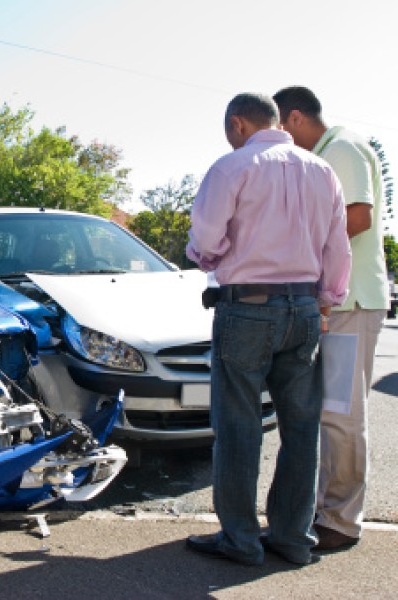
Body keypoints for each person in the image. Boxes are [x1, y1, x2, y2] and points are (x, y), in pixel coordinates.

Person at [185, 93, 351, 566]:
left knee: (239, 427)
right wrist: (325, 301)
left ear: (238, 124)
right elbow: (338, 248)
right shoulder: (321, 170)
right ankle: (293, 538)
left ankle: (240, 540)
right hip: (303, 309)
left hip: (247, 308)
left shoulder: (233, 167)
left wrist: (208, 257)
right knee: (300, 429)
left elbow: (207, 239)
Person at [273, 86, 391, 551]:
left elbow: (357, 217)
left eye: (280, 129)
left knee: (341, 414)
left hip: (352, 303)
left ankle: (340, 522)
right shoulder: (326, 151)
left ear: (295, 118)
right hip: (337, 305)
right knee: (332, 413)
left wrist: (296, 246)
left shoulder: (340, 148)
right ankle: (328, 510)